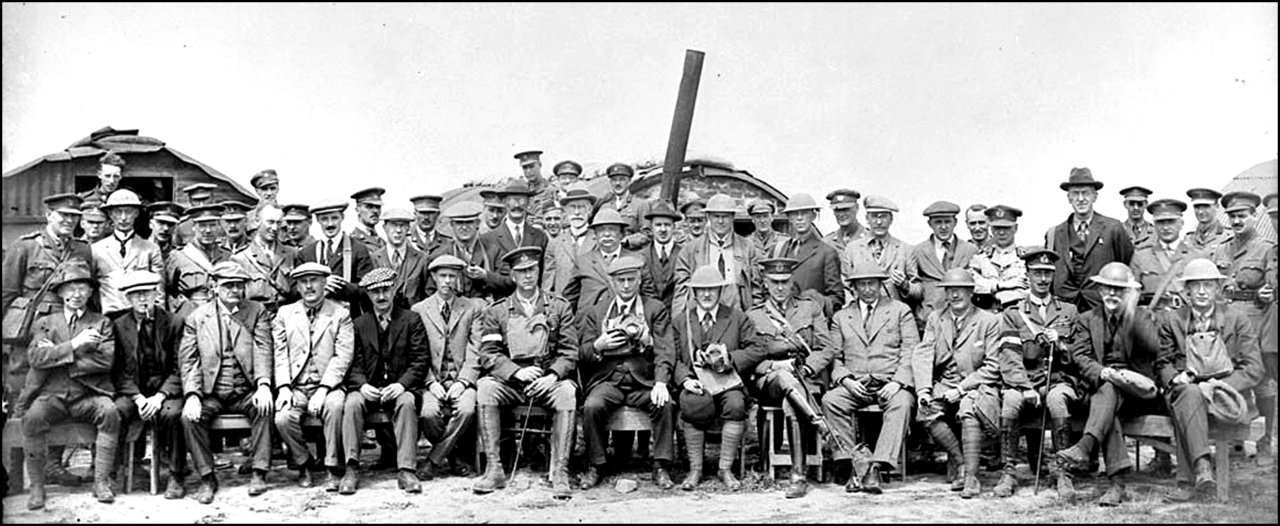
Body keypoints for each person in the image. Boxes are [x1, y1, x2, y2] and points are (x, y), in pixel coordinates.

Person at [2, 194, 95, 490]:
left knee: (60, 394)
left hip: (67, 332)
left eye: (74, 216)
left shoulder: (82, 249)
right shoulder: (26, 246)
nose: (69, 221)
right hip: (30, 335)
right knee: (21, 396)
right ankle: (15, 475)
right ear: (48, 216)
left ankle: (53, 466)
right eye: (62, 215)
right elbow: (6, 295)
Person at [471, 247, 578, 499]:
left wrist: (551, 375)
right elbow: (489, 353)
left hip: (547, 382)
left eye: (531, 270)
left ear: (539, 271)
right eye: (521, 272)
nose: (527, 276)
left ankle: (560, 472)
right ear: (513, 276)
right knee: (486, 387)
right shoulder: (497, 311)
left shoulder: (559, 308)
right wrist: (516, 373)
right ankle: (494, 468)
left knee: (567, 393)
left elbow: (570, 352)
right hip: (512, 384)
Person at [1156, 258, 1265, 502]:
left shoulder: (1236, 319)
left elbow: (1255, 368)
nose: (1203, 291)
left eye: (1208, 285)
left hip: (1226, 395)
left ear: (1217, 289)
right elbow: (1162, 363)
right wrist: (1175, 378)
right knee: (1189, 395)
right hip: (1187, 390)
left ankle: (1186, 482)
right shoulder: (1172, 320)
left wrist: (1219, 387)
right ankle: (1203, 468)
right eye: (1196, 286)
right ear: (1187, 291)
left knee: (1191, 400)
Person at [1056, 262, 1161, 507]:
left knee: (1109, 394)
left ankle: (1085, 446)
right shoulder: (1086, 319)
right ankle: (1116, 485)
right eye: (1107, 289)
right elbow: (1079, 356)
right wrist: (1102, 372)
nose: (1112, 294)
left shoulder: (1143, 317)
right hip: (1099, 389)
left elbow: (1154, 348)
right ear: (1100, 290)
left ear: (1128, 293)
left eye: (1119, 290)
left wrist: (1133, 314)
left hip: (1136, 393)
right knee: (1107, 398)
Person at [20, 261, 119, 509]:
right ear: (61, 292)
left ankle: (101, 482)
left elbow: (105, 361)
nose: (76, 295)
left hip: (89, 394)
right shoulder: (46, 322)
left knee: (110, 412)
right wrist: (76, 345)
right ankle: (37, 487)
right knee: (32, 418)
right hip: (53, 395)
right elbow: (36, 358)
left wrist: (57, 356)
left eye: (82, 289)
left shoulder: (101, 323)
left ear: (90, 293)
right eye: (70, 289)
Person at [576, 255, 677, 491]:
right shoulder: (598, 311)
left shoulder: (654, 309)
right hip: (608, 379)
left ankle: (660, 465)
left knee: (665, 404)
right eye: (621, 280)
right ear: (612, 282)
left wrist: (660, 380)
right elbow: (581, 353)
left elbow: (666, 350)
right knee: (592, 406)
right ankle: (596, 465)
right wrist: (598, 346)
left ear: (640, 279)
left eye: (631, 279)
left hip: (643, 380)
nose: (626, 285)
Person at [176, 261, 274, 503]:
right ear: (214, 287)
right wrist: (193, 395)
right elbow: (189, 360)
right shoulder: (197, 317)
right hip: (213, 393)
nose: (235, 291)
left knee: (264, 407)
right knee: (189, 418)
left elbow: (263, 348)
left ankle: (259, 472)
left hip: (246, 390)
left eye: (239, 286)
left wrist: (263, 384)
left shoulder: (256, 311)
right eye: (228, 285)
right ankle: (207, 477)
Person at [672, 264, 774, 492]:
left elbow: (758, 348)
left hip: (728, 382)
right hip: (697, 383)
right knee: (691, 403)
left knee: (737, 404)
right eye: (701, 290)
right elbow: (673, 358)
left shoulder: (737, 317)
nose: (707, 295)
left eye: (712, 289)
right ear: (694, 293)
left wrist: (731, 358)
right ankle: (695, 469)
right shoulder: (682, 321)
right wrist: (685, 380)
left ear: (720, 291)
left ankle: (725, 469)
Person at [823, 262, 918, 494]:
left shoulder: (899, 310)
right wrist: (846, 380)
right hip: (856, 383)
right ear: (853, 288)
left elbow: (912, 350)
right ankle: (856, 463)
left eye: (871, 283)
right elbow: (834, 356)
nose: (867, 289)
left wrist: (898, 382)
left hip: (890, 381)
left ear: (880, 284)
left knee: (903, 403)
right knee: (830, 400)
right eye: (861, 284)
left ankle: (877, 464)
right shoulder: (842, 317)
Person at [996, 249, 1084, 500]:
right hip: (1024, 380)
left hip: (1058, 380)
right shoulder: (1013, 313)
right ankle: (1009, 471)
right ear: (1028, 275)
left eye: (1047, 274)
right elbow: (1009, 357)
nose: (1043, 279)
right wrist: (1025, 387)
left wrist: (1063, 345)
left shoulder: (1069, 311)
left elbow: (1078, 355)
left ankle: (1062, 471)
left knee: (1057, 401)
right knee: (1011, 402)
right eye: (1037, 273)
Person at [745, 257, 835, 499]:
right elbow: (749, 358)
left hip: (806, 378)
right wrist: (775, 365)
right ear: (765, 282)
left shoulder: (809, 308)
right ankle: (818, 423)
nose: (780, 288)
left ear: (792, 280)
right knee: (785, 378)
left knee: (791, 400)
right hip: (770, 380)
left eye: (785, 282)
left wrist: (807, 370)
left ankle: (798, 475)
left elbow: (826, 348)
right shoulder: (753, 316)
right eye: (774, 282)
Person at [911, 268, 1003, 499]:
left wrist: (961, 389)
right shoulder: (936, 318)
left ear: (971, 292)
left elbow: (992, 366)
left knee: (968, 410)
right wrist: (924, 390)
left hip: (977, 384)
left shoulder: (988, 321)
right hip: (946, 381)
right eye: (950, 290)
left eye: (959, 290)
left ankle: (971, 477)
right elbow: (924, 353)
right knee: (926, 410)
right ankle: (962, 462)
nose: (954, 295)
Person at [341, 267, 429, 495]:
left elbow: (420, 360)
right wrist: (362, 385)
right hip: (368, 387)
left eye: (385, 290)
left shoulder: (411, 320)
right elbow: (352, 364)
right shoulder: (359, 324)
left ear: (394, 289)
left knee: (407, 402)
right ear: (368, 296)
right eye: (375, 292)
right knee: (351, 403)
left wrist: (401, 385)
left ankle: (407, 469)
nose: (381, 297)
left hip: (399, 387)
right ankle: (351, 468)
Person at [272, 262, 354, 492]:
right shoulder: (285, 314)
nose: (309, 286)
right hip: (296, 386)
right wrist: (285, 387)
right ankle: (304, 463)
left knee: (336, 407)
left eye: (314, 280)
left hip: (328, 385)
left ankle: (332, 466)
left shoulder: (340, 313)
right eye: (303, 282)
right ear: (297, 286)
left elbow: (343, 356)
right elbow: (280, 354)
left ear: (325, 283)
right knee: (282, 418)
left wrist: (324, 388)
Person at [1211, 191, 1277, 458]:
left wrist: (1265, 292)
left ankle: (1265, 440)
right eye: (1233, 217)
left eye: (1242, 216)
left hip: (1253, 321)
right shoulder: (1222, 248)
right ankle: (1234, 442)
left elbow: (1272, 287)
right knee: (1229, 376)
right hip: (1224, 322)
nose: (1237, 221)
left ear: (1253, 216)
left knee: (1261, 381)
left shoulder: (1266, 248)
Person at [110, 271, 184, 498]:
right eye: (136, 295)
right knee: (117, 411)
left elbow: (180, 366)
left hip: (166, 390)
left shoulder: (174, 323)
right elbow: (118, 369)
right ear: (128, 299)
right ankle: (117, 471)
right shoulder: (119, 325)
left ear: (156, 294)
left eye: (147, 293)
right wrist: (138, 397)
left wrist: (160, 396)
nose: (142, 300)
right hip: (134, 390)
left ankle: (176, 475)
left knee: (173, 415)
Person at [412, 255, 487, 480]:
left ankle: (433, 460)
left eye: (452, 276)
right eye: (442, 276)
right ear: (433, 277)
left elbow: (476, 349)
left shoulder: (471, 308)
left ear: (459, 279)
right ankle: (454, 457)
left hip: (461, 378)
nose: (447, 281)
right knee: (428, 413)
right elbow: (417, 352)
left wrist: (464, 381)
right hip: (432, 379)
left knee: (467, 409)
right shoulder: (419, 309)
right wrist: (430, 382)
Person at [1045, 167, 1135, 313]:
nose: (1081, 199)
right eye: (1075, 193)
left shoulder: (1113, 228)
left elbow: (1127, 266)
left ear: (1095, 196)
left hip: (1102, 309)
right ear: (1069, 198)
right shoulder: (1055, 233)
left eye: (1086, 193)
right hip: (1065, 310)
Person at [673, 193, 761, 318]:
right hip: (703, 317)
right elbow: (681, 293)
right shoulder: (690, 250)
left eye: (725, 216)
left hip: (738, 316)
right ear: (708, 217)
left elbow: (756, 290)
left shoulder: (747, 248)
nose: (720, 221)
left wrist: (755, 320)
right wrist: (678, 323)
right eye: (716, 216)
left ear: (733, 217)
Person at [564, 209, 656, 315]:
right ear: (595, 235)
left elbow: (649, 297)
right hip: (589, 326)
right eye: (601, 230)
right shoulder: (583, 262)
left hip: (627, 324)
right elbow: (569, 298)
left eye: (612, 229)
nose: (607, 234)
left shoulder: (637, 260)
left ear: (621, 234)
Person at [906, 201, 979, 331]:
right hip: (928, 320)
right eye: (938, 222)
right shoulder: (918, 251)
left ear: (955, 222)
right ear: (930, 224)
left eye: (947, 222)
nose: (943, 227)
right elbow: (914, 287)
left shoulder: (970, 250)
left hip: (964, 321)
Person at [297, 199, 375, 319]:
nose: (330, 224)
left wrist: (340, 286)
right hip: (315, 319)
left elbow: (367, 289)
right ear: (318, 220)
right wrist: (320, 284)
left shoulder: (358, 249)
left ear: (342, 218)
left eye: (334, 218)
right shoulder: (307, 253)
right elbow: (295, 290)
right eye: (324, 219)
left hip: (349, 318)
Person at [93, 189, 164, 320]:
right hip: (109, 318)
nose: (123, 217)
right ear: (110, 214)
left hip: (141, 317)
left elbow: (159, 290)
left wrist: (158, 321)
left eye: (128, 211)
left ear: (136, 213)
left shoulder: (150, 249)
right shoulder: (96, 249)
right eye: (118, 212)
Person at [771, 193, 843, 317]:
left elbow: (837, 299)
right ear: (789, 218)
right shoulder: (779, 249)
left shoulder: (826, 252)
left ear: (813, 216)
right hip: (782, 320)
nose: (799, 218)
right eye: (794, 214)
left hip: (810, 322)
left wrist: (817, 300)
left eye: (804, 213)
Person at [1130, 199, 1206, 311]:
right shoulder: (1141, 256)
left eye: (1171, 221)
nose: (1165, 227)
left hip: (1186, 319)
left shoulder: (1197, 256)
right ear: (1154, 225)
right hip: (1153, 318)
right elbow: (1131, 297)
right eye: (1161, 222)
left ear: (1181, 223)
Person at [479, 180, 550, 296]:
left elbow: (544, 274)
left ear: (528, 203)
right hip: (501, 304)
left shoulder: (540, 237)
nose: (517, 206)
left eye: (521, 201)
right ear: (504, 203)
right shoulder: (487, 239)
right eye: (512, 201)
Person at [164, 204, 232, 322]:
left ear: (219, 227)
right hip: (191, 318)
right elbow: (168, 292)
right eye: (202, 225)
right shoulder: (178, 257)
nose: (208, 230)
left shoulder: (227, 256)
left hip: (221, 317)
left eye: (212, 225)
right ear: (193, 227)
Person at [429, 201, 504, 300]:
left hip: (487, 310)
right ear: (452, 224)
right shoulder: (440, 255)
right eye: (459, 223)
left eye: (469, 222)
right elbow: (430, 291)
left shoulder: (494, 251)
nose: (464, 227)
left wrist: (486, 276)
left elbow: (509, 282)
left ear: (477, 223)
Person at [842, 195, 910, 304]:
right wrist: (853, 308)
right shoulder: (852, 249)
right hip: (861, 313)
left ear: (891, 219)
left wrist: (905, 284)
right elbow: (845, 285)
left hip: (892, 314)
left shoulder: (905, 249)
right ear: (867, 219)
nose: (879, 222)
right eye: (874, 217)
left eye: (883, 217)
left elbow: (918, 290)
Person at [231, 204, 299, 314]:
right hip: (256, 320)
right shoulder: (240, 259)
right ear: (257, 221)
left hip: (287, 317)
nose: (275, 228)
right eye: (270, 222)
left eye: (279, 223)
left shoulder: (292, 253)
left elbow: (298, 291)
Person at [967, 205, 1029, 309]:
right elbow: (972, 284)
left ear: (1015, 228)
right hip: (987, 315)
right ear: (990, 229)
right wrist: (1002, 285)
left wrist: (993, 292)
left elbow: (1027, 289)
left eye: (1006, 228)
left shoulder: (1025, 258)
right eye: (997, 228)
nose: (1001, 232)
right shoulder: (980, 258)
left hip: (1017, 313)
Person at [370, 207, 431, 309]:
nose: (398, 230)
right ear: (385, 228)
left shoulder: (422, 259)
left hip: (413, 320)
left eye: (402, 226)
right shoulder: (374, 259)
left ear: (408, 229)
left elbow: (427, 296)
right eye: (393, 225)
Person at [594, 162, 656, 250]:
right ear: (610, 182)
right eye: (614, 180)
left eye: (622, 179)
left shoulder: (641, 204)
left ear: (629, 181)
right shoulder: (604, 206)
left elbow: (647, 234)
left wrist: (628, 241)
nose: (618, 183)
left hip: (631, 253)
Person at [643, 202, 683, 306]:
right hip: (650, 315)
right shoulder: (642, 256)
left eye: (667, 225)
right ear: (651, 228)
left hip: (677, 314)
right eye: (658, 225)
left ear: (674, 227)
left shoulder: (684, 254)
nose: (663, 229)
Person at [513, 150, 558, 226]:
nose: (528, 171)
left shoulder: (551, 191)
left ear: (539, 165)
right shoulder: (522, 192)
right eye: (525, 168)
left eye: (531, 167)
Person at [173, 183, 221, 249]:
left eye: (205, 199)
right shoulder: (182, 226)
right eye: (196, 200)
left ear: (213, 198)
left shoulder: (224, 223)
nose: (201, 204)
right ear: (190, 201)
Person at [1184, 188, 1233, 253]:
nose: (1200, 211)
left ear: (1217, 206)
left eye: (1206, 206)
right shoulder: (1188, 239)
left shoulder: (1229, 237)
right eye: (1197, 207)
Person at [559, 185, 599, 253]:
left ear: (590, 210)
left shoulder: (600, 241)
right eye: (572, 207)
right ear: (565, 210)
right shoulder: (555, 243)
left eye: (581, 207)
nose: (576, 212)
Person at [349, 187, 387, 252]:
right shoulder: (353, 240)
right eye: (369, 207)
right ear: (358, 209)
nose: (375, 211)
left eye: (378, 207)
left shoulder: (382, 241)